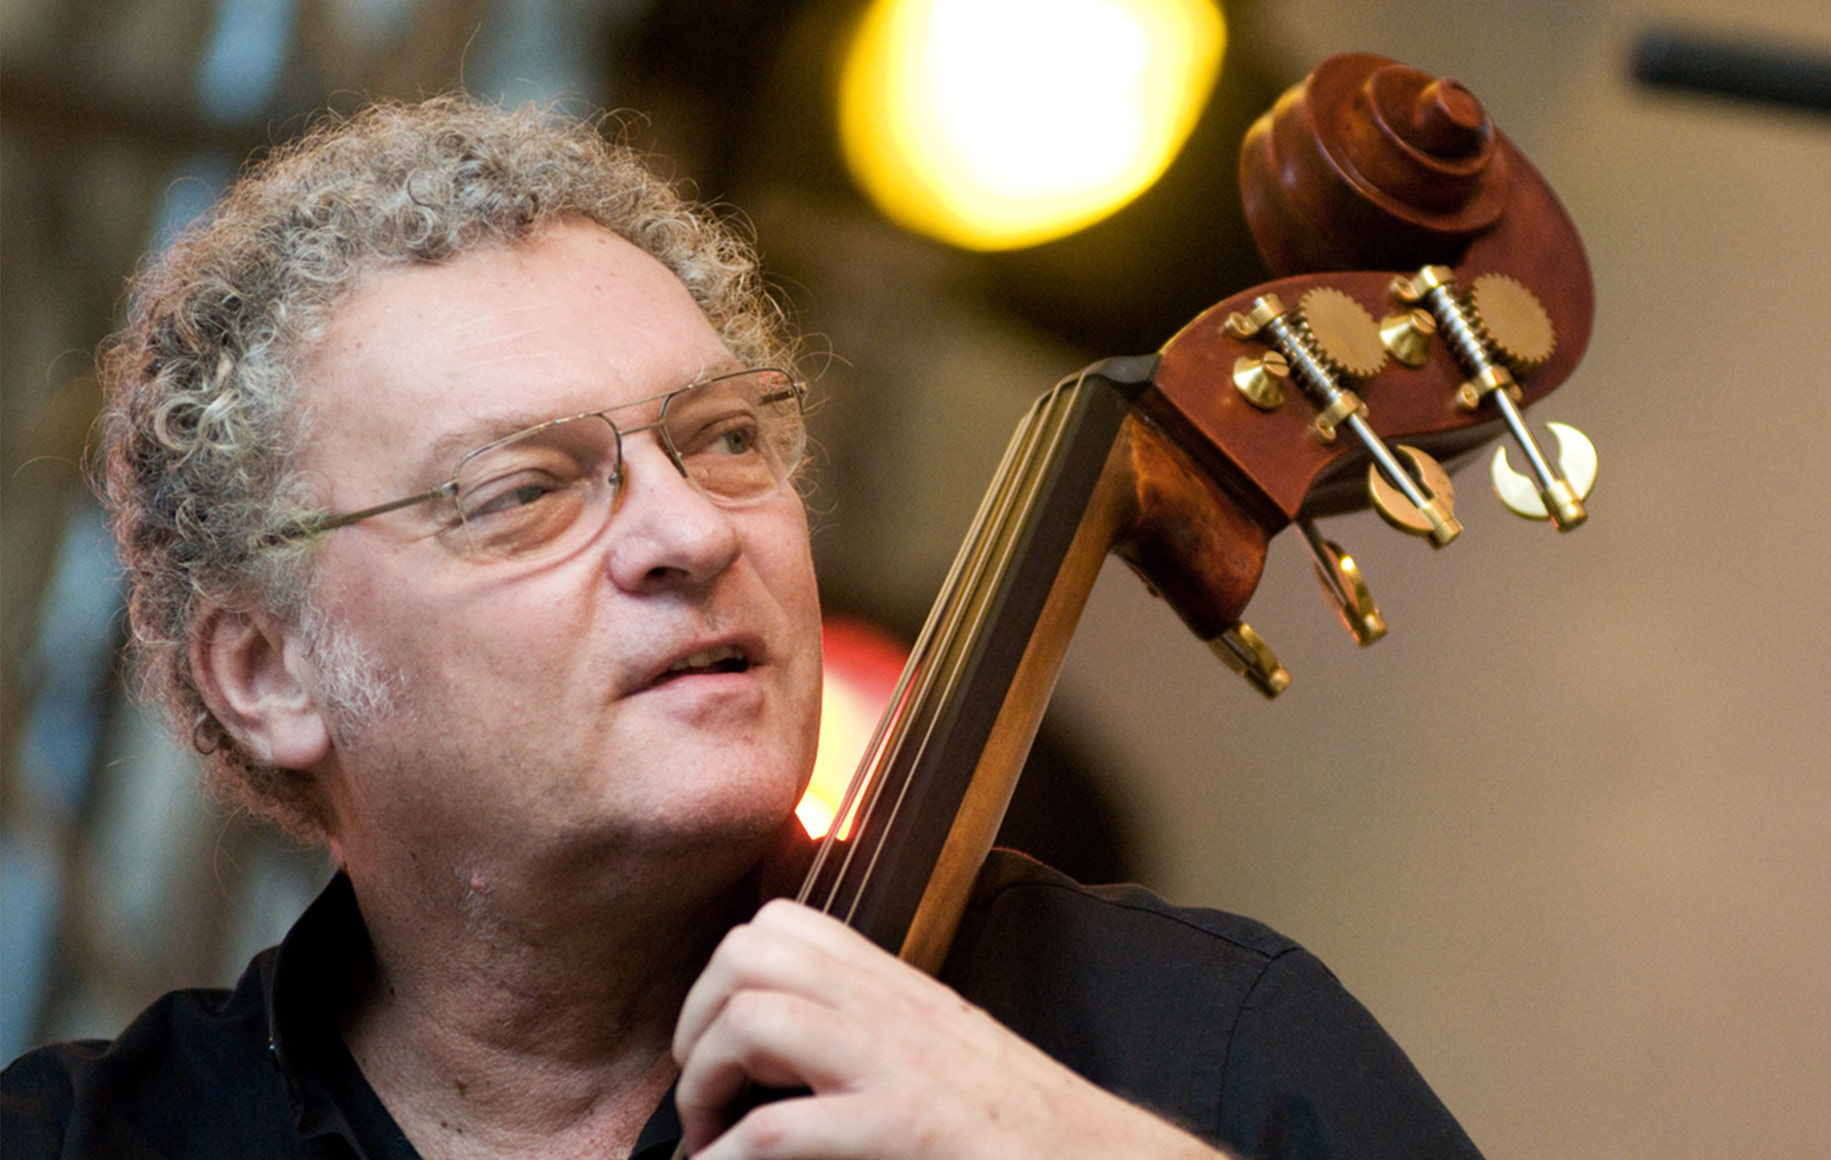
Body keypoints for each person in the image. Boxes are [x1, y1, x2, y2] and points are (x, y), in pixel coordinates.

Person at [1, 96, 1481, 1160]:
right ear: (268, 674)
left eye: (723, 439)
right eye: (525, 491)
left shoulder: (1199, 1045)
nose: (695, 533)